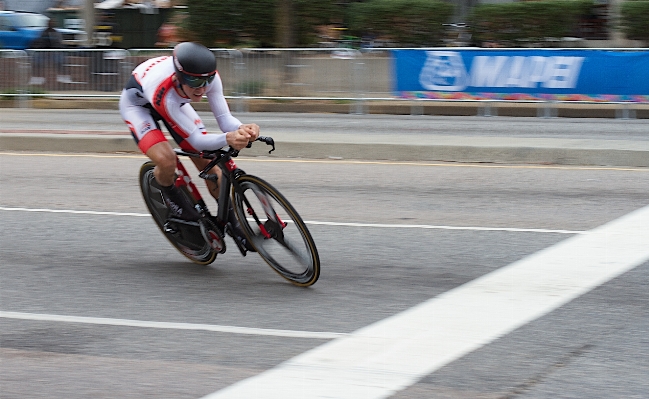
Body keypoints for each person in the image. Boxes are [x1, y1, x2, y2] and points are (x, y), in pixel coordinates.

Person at [119, 41, 260, 248]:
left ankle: (233, 223)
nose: (201, 88)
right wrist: (227, 138)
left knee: (209, 164)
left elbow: (224, 119)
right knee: (167, 160)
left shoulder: (208, 78)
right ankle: (175, 203)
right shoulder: (164, 90)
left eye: (206, 81)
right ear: (178, 77)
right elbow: (195, 140)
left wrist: (241, 128)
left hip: (176, 101)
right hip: (139, 106)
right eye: (193, 81)